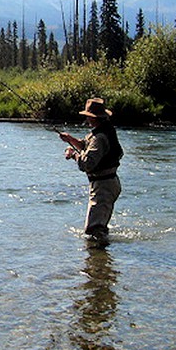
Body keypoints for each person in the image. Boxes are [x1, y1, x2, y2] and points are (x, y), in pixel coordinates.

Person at [59, 98, 123, 246]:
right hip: (107, 183)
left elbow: (86, 164)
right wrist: (70, 139)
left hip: (103, 186)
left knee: (93, 231)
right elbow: (85, 145)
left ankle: (98, 265)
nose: (86, 118)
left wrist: (73, 155)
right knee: (96, 229)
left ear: (93, 117)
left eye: (88, 115)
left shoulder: (99, 137)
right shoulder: (102, 131)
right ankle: (101, 262)